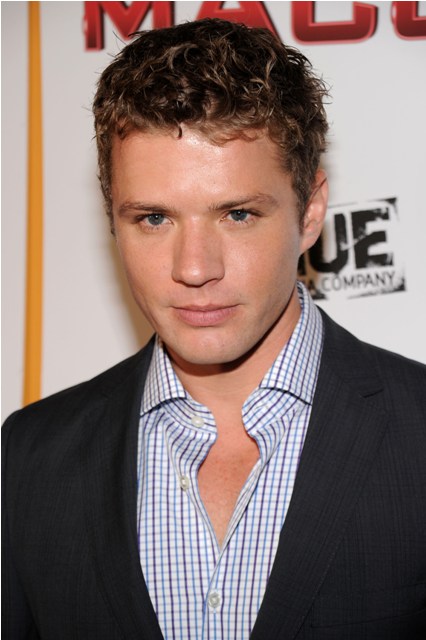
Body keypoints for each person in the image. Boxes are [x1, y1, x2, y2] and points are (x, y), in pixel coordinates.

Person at [2, 18, 425, 640]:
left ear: (310, 213)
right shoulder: (28, 458)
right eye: (154, 218)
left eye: (237, 214)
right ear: (113, 219)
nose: (195, 269)